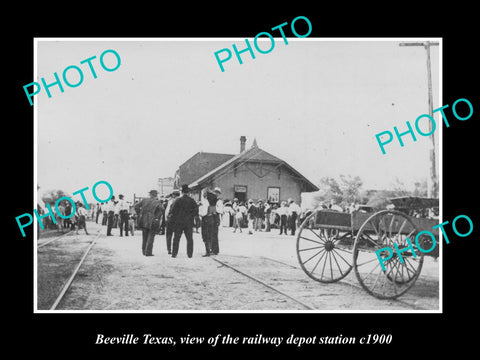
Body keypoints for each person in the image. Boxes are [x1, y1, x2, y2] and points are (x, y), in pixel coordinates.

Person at [170, 185, 198, 258]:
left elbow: (173, 211)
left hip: (179, 222)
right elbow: (196, 211)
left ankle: (174, 254)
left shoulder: (178, 200)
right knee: (189, 239)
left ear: (182, 192)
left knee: (176, 238)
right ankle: (189, 254)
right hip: (188, 222)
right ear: (188, 192)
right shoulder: (192, 200)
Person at [134, 190, 164, 256]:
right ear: (156, 195)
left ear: (150, 194)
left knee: (144, 236)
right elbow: (162, 209)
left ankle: (143, 251)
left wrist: (139, 213)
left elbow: (136, 206)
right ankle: (148, 252)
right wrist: (157, 217)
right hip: (152, 220)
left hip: (143, 220)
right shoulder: (157, 202)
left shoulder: (144, 200)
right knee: (151, 236)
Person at [200, 187, 221, 256]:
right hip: (212, 218)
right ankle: (211, 249)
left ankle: (212, 250)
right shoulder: (213, 200)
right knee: (211, 235)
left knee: (209, 235)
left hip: (209, 218)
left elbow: (206, 211)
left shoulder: (210, 201)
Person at [164, 190, 180, 254]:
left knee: (169, 235)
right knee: (176, 236)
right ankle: (175, 250)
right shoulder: (181, 201)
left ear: (173, 195)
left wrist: (166, 218)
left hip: (170, 220)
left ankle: (169, 249)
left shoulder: (171, 201)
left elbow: (167, 211)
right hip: (178, 220)